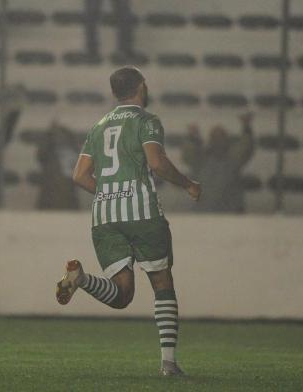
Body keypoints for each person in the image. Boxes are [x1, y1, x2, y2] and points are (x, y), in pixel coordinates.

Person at [56, 66, 201, 376]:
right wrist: (188, 183)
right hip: (142, 214)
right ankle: (169, 363)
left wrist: (109, 192)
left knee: (122, 295)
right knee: (162, 283)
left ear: (114, 92)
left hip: (104, 217)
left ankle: (81, 279)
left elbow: (79, 176)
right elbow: (156, 163)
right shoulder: (146, 120)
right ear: (140, 87)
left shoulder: (98, 126)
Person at [181, 113, 254, 213]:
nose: (218, 140)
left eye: (221, 136)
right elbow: (189, 154)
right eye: (215, 137)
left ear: (226, 139)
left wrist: (246, 128)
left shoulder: (233, 159)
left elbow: (245, 148)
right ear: (210, 140)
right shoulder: (200, 160)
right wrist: (193, 137)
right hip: (203, 213)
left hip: (231, 213)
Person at [36, 122, 80, 210]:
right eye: (56, 137)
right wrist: (49, 135)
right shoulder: (49, 155)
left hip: (67, 200)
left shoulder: (73, 155)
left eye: (61, 137)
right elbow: (40, 155)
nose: (59, 139)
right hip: (49, 200)